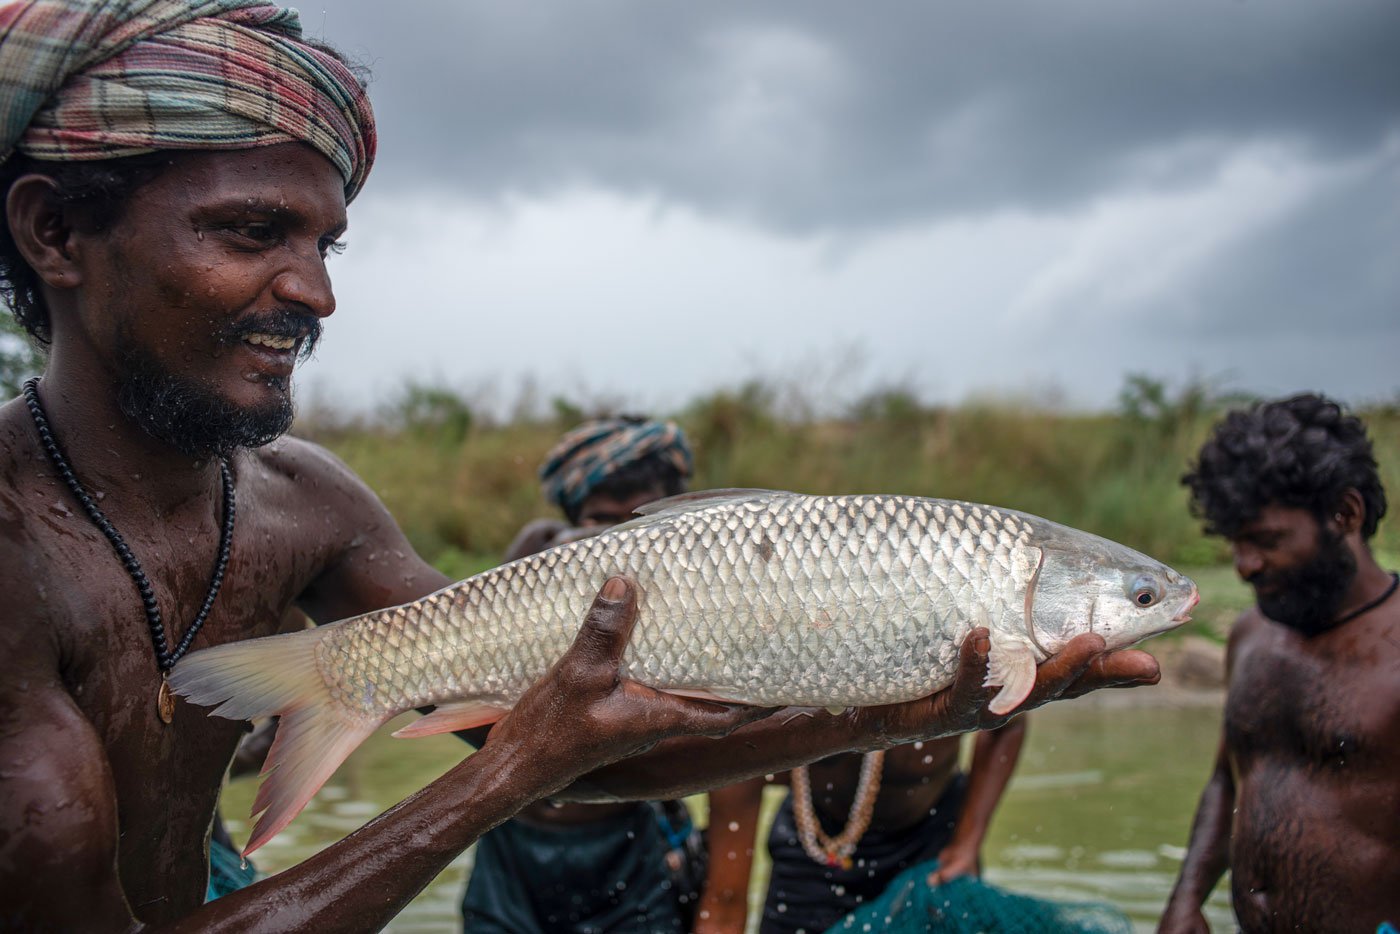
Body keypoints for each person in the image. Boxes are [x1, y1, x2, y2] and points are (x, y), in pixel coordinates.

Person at [0, 1, 1161, 929]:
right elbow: (525, 764)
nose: (316, 292)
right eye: (252, 233)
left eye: (325, 241)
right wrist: (501, 781)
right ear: (53, 233)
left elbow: (590, 757)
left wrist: (903, 708)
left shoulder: (311, 505)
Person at [1160, 394, 1399, 933]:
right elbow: (1229, 779)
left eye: (1267, 541)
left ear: (1345, 514)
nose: (1245, 565)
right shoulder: (1250, 637)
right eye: (1237, 543)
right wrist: (1187, 899)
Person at [461, 416, 707, 933]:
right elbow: (476, 647)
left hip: (630, 829)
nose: (618, 539)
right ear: (574, 518)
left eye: (635, 521)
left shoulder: (692, 581)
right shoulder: (540, 554)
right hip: (516, 828)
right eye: (601, 520)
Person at [698, 720, 1026, 934]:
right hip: (815, 845)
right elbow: (723, 904)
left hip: (931, 844)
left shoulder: (929, 665)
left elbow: (1008, 720)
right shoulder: (751, 728)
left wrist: (966, 845)